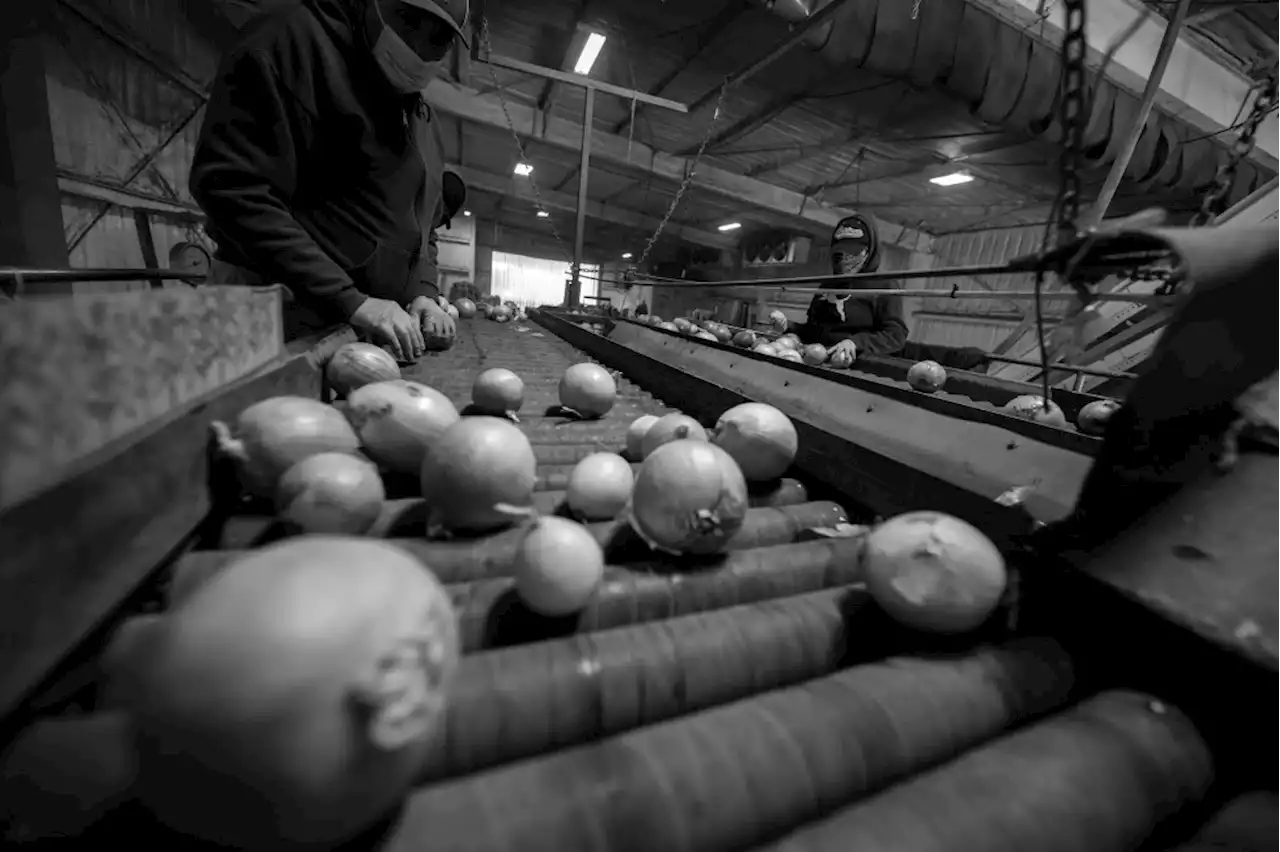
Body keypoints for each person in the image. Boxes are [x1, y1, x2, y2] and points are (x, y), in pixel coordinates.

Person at [190, 0, 467, 361]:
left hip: (360, 328)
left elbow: (423, 227)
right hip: (273, 314)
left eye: (439, 38)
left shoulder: (421, 117)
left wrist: (423, 292)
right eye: (407, 20)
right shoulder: (291, 44)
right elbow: (232, 187)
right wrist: (349, 298)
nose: (418, 46)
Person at [787, 214, 990, 372]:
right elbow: (814, 332)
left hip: (865, 367)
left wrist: (856, 343)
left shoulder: (883, 285)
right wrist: (789, 326)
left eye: (854, 252)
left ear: (870, 252)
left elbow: (895, 336)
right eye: (839, 252)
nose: (845, 258)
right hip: (822, 362)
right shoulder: (826, 287)